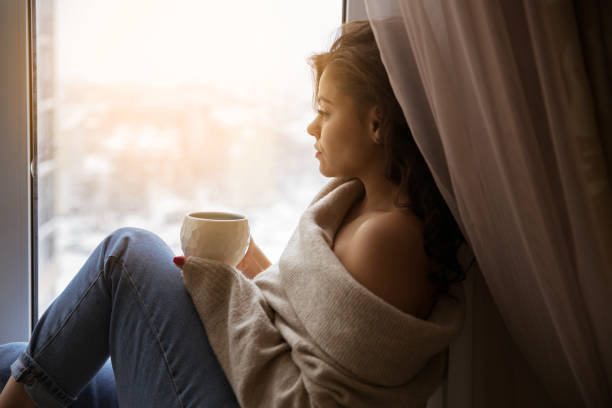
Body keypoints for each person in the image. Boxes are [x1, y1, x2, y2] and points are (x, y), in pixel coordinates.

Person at [0, 20, 468, 407]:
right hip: (240, 388)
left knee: (127, 254)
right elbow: (306, 326)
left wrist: (225, 293)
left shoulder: (387, 238)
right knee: (14, 358)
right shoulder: (354, 203)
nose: (312, 125)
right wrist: (247, 268)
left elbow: (310, 393)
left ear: (377, 121)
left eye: (325, 111)